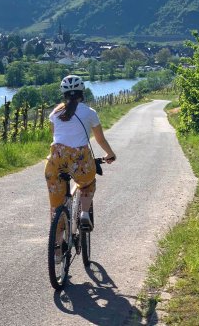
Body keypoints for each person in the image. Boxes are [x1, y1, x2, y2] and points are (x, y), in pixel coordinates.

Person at [45, 75, 116, 261]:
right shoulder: (89, 112)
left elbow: (55, 138)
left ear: (63, 94)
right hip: (79, 159)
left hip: (55, 161)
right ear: (82, 93)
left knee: (56, 205)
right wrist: (110, 154)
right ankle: (84, 212)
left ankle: (58, 250)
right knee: (88, 182)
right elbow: (99, 139)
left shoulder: (54, 113)